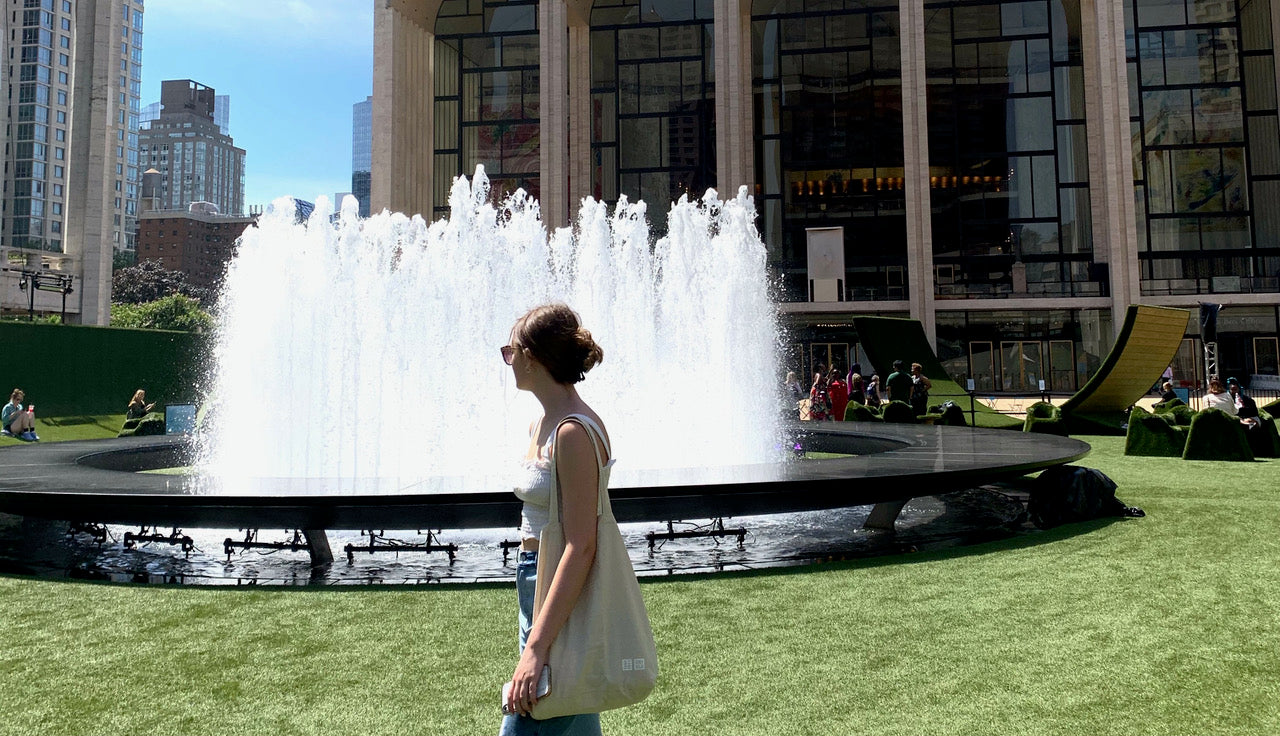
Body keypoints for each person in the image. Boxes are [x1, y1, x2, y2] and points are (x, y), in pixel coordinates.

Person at [501, 304, 614, 735]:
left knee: (532, 711)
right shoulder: (543, 424)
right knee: (569, 713)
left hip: (555, 582)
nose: (508, 360)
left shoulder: (571, 431)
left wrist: (536, 648)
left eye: (511, 351)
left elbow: (581, 544)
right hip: (535, 579)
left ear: (533, 357)